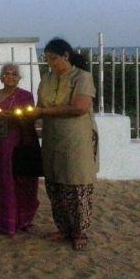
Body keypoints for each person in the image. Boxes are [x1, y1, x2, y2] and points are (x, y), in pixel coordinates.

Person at [32, 38, 98, 251]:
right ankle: (62, 228)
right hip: (52, 138)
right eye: (47, 59)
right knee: (56, 183)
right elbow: (39, 106)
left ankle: (79, 231)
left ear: (66, 56)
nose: (50, 62)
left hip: (76, 138)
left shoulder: (82, 77)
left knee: (75, 183)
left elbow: (79, 107)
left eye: (54, 58)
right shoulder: (47, 79)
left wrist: (43, 112)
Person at [0, 63, 39, 237]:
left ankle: (19, 220)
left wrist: (16, 115)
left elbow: (30, 119)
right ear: (0, 77)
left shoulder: (25, 96)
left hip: (17, 145)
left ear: (19, 78)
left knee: (17, 180)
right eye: (7, 73)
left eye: (14, 74)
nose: (10, 76)